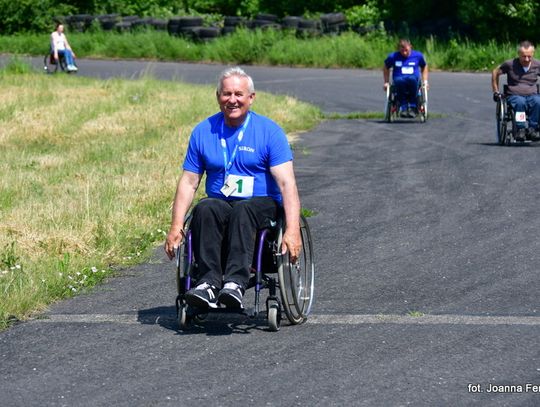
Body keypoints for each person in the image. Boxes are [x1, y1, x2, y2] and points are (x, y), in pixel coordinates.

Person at [164, 67, 302, 310]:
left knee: (244, 210)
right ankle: (208, 283)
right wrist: (176, 226)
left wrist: (292, 230)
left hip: (261, 203)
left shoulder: (269, 132)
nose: (232, 100)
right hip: (220, 202)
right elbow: (189, 181)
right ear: (218, 97)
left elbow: (286, 183)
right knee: (205, 208)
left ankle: (235, 283)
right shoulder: (203, 131)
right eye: (226, 94)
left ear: (251, 98)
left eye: (239, 94)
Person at [492, 40, 540, 140]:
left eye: (529, 56)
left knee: (538, 101)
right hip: (514, 95)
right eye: (524, 56)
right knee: (520, 102)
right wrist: (496, 91)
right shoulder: (510, 64)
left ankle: (533, 129)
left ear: (533, 54)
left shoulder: (537, 64)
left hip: (533, 94)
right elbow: (495, 72)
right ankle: (520, 129)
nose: (527, 59)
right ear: (519, 54)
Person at [383, 38, 428, 118]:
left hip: (413, 79)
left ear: (410, 47)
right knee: (399, 81)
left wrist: (425, 81)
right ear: (399, 48)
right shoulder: (393, 56)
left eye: (406, 50)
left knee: (412, 79)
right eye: (402, 50)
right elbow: (386, 67)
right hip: (399, 78)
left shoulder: (418, 55)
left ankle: (413, 106)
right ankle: (403, 107)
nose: (404, 52)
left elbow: (424, 66)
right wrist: (386, 82)